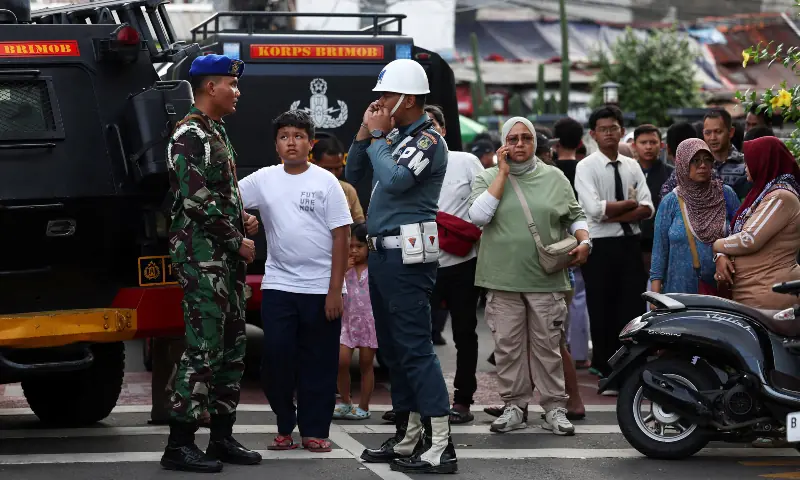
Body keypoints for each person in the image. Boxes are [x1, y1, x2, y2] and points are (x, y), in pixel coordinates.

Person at [345, 58, 457, 474]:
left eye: (386, 95)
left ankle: (441, 443)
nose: (379, 102)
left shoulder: (429, 140)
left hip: (407, 254)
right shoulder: (392, 136)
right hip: (384, 252)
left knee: (414, 348)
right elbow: (355, 174)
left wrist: (376, 138)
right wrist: (364, 135)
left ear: (407, 98)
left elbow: (394, 181)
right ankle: (409, 436)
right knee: (393, 350)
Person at [161, 54, 261, 473]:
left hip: (222, 260)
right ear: (208, 87)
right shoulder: (190, 134)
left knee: (231, 348)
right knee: (203, 349)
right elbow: (194, 198)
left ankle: (221, 437)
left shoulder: (215, 130)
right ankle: (179, 444)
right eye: (231, 85)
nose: (236, 92)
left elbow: (220, 192)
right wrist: (236, 238)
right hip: (204, 259)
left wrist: (243, 217)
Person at [467, 117, 591, 435]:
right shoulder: (488, 177)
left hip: (545, 279)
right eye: (513, 139)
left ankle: (554, 408)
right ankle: (515, 406)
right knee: (508, 346)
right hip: (501, 278)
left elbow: (575, 214)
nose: (519, 144)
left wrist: (585, 239)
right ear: (503, 144)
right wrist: (504, 173)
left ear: (536, 142)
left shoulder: (555, 178)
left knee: (547, 346)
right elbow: (479, 215)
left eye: (526, 138)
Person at [238, 110, 353, 452]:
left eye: (299, 136)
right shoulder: (264, 179)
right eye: (285, 136)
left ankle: (315, 430)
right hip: (279, 285)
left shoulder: (325, 181)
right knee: (276, 359)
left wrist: (336, 290)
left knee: (319, 362)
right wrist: (244, 218)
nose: (292, 142)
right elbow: (226, 200)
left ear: (310, 143)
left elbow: (342, 235)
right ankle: (285, 424)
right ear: (276, 145)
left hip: (321, 289)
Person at [574, 105, 654, 387]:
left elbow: (648, 208)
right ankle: (605, 367)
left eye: (614, 128)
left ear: (622, 131)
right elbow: (593, 211)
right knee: (601, 307)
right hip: (600, 247)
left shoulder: (632, 165)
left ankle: (630, 365)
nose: (609, 133)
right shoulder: (585, 166)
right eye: (603, 129)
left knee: (631, 307)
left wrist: (617, 211)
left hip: (629, 244)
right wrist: (630, 205)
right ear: (593, 134)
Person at [424, 104, 483, 424]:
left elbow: (485, 204)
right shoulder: (408, 161)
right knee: (415, 334)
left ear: (444, 129)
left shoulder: (466, 161)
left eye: (431, 124)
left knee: (465, 333)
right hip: (420, 261)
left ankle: (463, 400)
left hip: (462, 262)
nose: (426, 130)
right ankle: (415, 399)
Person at [713, 136, 800, 310]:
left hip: (769, 294)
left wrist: (717, 245)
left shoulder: (781, 197)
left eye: (750, 161)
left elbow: (749, 239)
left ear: (764, 162)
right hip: (756, 291)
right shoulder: (766, 193)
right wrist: (721, 255)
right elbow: (738, 234)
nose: (746, 167)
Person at [650, 138, 740, 296]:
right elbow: (659, 252)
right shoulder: (670, 202)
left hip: (719, 291)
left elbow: (741, 235)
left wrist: (723, 254)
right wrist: (655, 296)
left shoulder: (726, 195)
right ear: (683, 164)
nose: (703, 165)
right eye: (695, 160)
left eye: (707, 159)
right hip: (678, 292)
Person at [334, 223, 379, 421]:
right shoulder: (344, 268)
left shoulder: (374, 269)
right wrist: (343, 269)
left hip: (369, 323)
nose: (354, 250)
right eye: (350, 246)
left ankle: (364, 406)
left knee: (366, 364)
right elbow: (335, 285)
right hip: (347, 322)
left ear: (368, 247)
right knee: (341, 361)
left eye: (359, 246)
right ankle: (345, 401)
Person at [632, 124, 673, 284]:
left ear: (661, 145)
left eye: (653, 142)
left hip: (662, 243)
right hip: (633, 243)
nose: (648, 147)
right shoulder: (627, 172)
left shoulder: (671, 174)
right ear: (634, 146)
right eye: (643, 143)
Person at [312, 136, 366, 223]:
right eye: (328, 169)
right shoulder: (300, 188)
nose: (333, 174)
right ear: (314, 163)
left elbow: (359, 224)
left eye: (337, 168)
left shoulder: (348, 190)